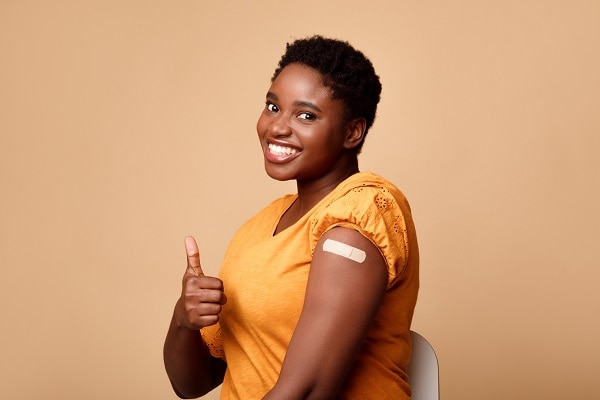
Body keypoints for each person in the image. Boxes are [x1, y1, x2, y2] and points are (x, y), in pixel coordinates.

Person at [163, 35, 419, 399]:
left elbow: (307, 391)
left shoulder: (359, 215)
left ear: (352, 132)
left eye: (305, 115)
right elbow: (192, 384)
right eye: (272, 107)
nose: (277, 127)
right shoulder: (258, 228)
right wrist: (183, 320)